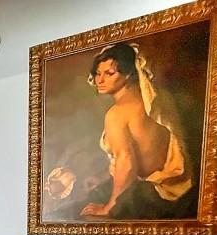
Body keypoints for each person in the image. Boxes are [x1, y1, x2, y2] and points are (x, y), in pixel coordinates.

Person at [80, 42, 193, 219]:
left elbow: (126, 162)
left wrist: (110, 207)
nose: (99, 80)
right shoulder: (157, 99)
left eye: (109, 73)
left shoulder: (116, 114)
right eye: (97, 73)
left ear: (128, 74)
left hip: (147, 196)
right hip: (176, 188)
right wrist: (104, 178)